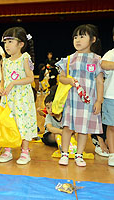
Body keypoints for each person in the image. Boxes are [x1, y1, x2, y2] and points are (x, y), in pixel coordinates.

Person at [57, 24, 103, 167]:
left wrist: (99, 101)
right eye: (75, 37)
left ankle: (79, 155)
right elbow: (61, 78)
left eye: (82, 37)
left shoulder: (97, 60)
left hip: (88, 101)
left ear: (93, 39)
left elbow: (99, 81)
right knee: (67, 127)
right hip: (72, 100)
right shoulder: (69, 59)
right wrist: (69, 80)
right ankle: (64, 153)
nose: (77, 40)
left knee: (83, 130)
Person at [0, 27, 37, 165]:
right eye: (5, 42)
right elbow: (3, 79)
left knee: (22, 122)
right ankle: (7, 150)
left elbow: (31, 78)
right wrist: (1, 88)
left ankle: (25, 152)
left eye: (10, 42)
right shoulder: (5, 61)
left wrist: (13, 83)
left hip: (22, 97)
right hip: (8, 98)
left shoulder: (25, 58)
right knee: (8, 123)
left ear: (21, 44)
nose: (7, 45)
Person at [101, 26, 114, 166]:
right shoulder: (111, 53)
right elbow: (103, 64)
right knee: (111, 127)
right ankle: (112, 154)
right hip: (111, 96)